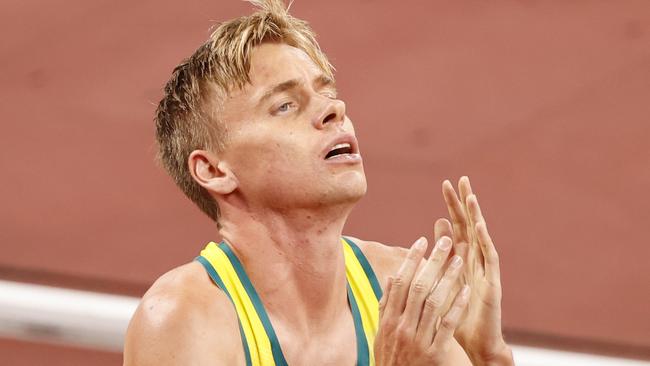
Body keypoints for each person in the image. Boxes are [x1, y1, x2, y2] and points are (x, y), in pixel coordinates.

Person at [123, 0, 514, 365]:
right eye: (285, 105)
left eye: (327, 92)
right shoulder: (184, 319)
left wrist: (488, 357)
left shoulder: (399, 292)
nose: (333, 110)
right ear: (214, 171)